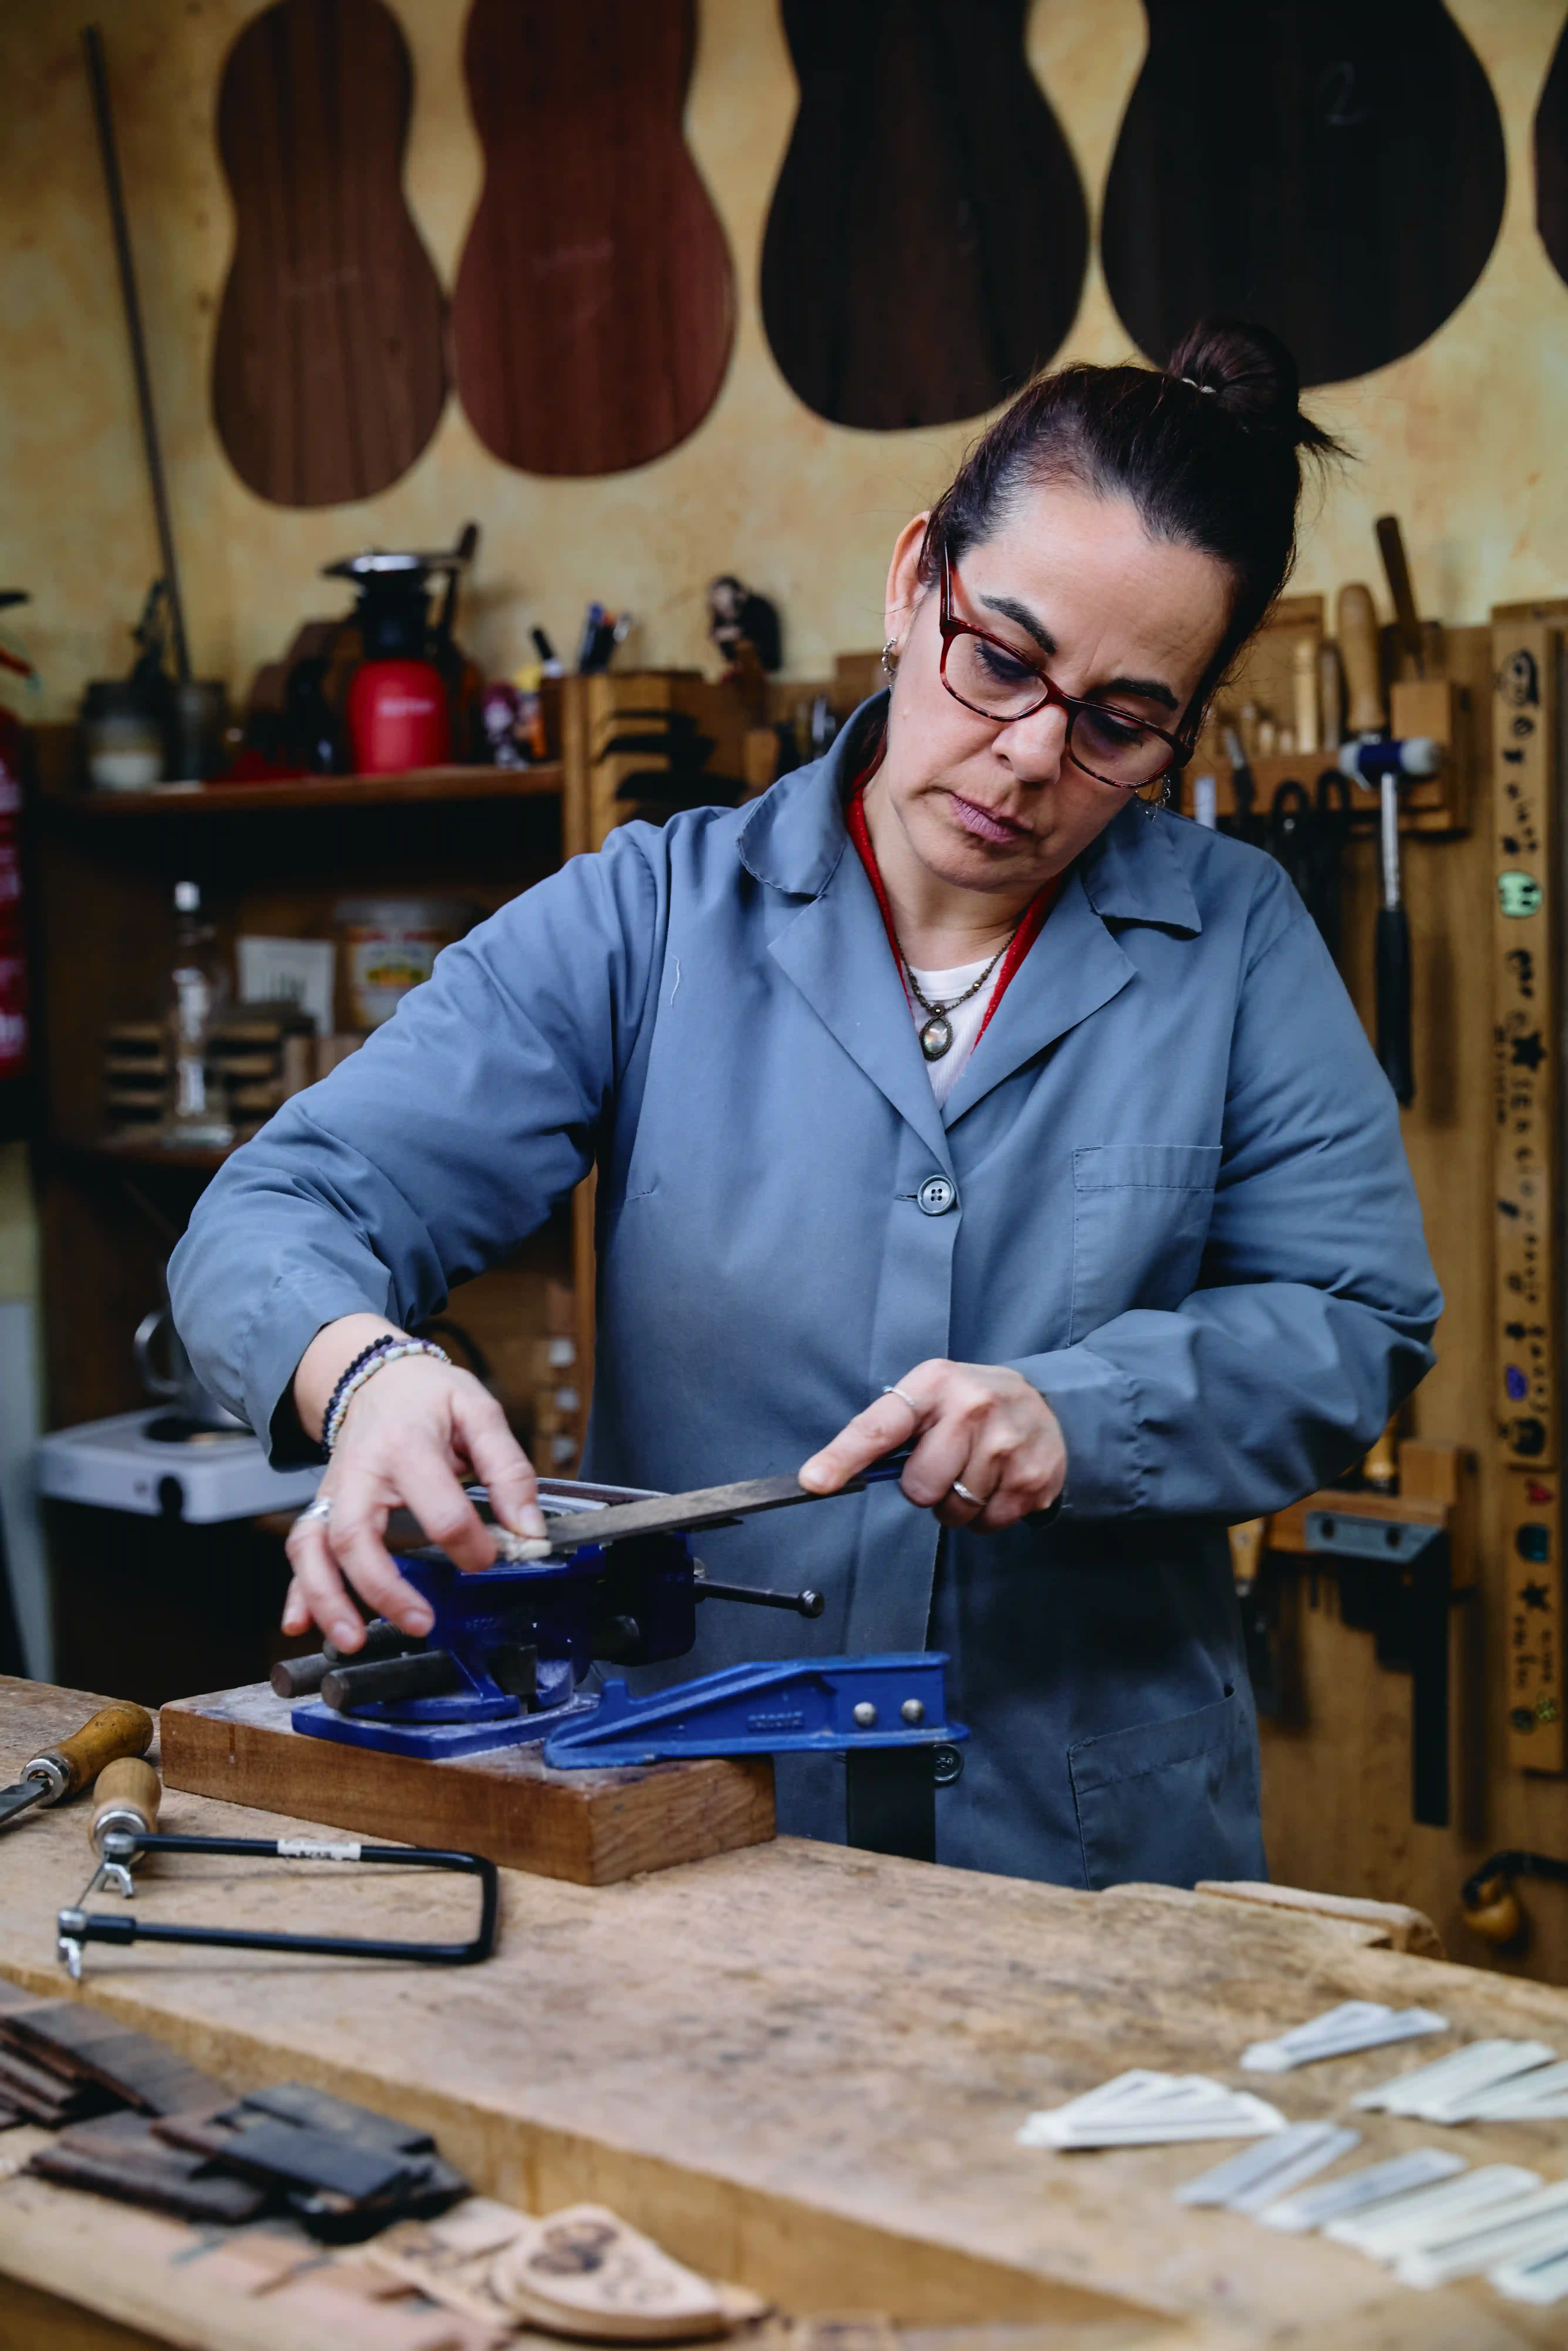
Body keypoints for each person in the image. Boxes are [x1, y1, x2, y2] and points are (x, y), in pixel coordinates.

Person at [171, 321, 1441, 1889]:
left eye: (1120, 721)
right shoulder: (649, 919)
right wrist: (360, 1373)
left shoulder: (1235, 940)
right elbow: (276, 1208)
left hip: (1088, 1840)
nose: (1030, 755)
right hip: (698, 1814)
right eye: (999, 657)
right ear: (914, 582)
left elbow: (1352, 1319)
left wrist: (1084, 1407)